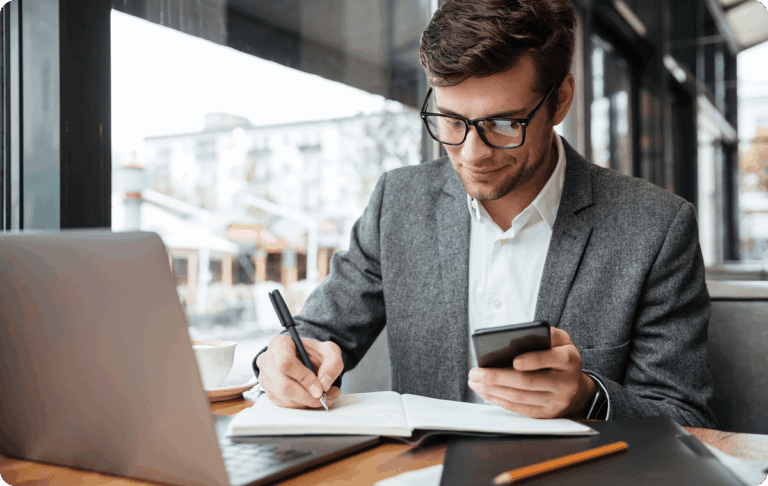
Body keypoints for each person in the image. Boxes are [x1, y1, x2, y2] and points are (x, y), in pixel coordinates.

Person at [253, 0, 715, 427]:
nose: (472, 153)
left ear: (561, 100)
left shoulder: (655, 228)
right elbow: (316, 334)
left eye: (502, 123)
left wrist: (587, 397)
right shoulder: (398, 202)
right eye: (452, 121)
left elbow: (685, 418)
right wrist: (284, 361)